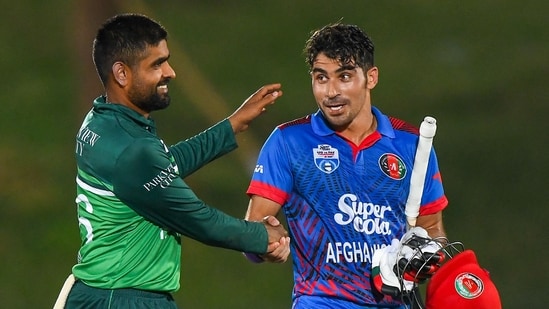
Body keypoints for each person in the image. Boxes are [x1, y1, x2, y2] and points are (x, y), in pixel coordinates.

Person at [61, 13, 289, 308]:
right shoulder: (133, 150)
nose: (170, 72)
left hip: (100, 291)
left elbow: (158, 167)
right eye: (156, 64)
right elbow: (199, 219)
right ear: (122, 74)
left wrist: (231, 126)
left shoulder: (100, 121)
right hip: (124, 298)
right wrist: (263, 236)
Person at [244, 22, 449, 308]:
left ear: (371, 77)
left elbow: (432, 228)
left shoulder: (412, 145)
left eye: (344, 76)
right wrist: (264, 244)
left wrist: (424, 254)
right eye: (321, 78)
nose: (331, 92)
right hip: (320, 301)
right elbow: (253, 228)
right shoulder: (288, 142)